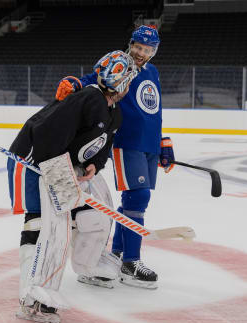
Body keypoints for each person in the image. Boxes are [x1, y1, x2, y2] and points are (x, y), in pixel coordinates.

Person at [7, 50, 139, 323]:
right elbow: (47, 134)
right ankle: (33, 296)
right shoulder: (88, 98)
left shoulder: (113, 113)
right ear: (122, 81)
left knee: (93, 212)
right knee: (44, 226)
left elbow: (102, 144)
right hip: (35, 162)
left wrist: (95, 165)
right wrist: (58, 176)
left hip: (61, 164)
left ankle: (88, 263)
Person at [55, 25, 175, 290]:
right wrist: (76, 83)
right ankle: (132, 263)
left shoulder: (152, 72)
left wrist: (163, 141)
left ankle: (119, 253)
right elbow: (94, 79)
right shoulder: (121, 64)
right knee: (138, 196)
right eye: (138, 47)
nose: (141, 53)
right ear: (131, 43)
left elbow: (154, 109)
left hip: (149, 144)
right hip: (127, 143)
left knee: (134, 199)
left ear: (154, 51)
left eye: (147, 50)